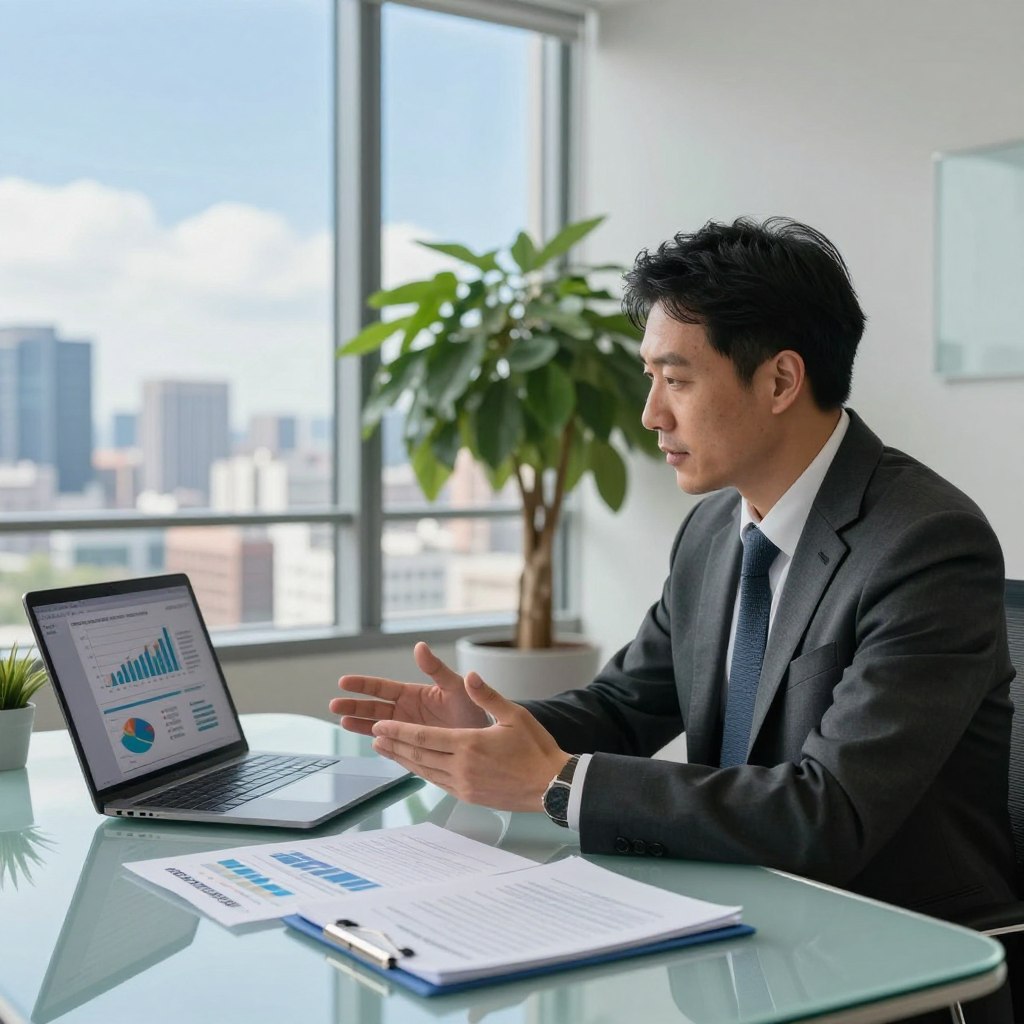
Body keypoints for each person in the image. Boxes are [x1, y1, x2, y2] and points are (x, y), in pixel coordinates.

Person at [329, 216, 1016, 929]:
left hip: (896, 947)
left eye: (676, 380)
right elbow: (627, 704)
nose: (651, 414)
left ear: (781, 380)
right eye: (649, 378)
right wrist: (497, 724)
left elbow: (829, 813)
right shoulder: (715, 532)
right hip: (737, 916)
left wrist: (558, 784)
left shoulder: (926, 544)